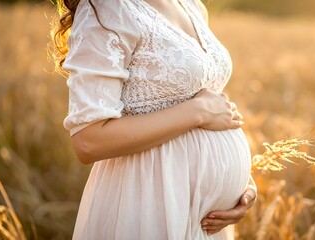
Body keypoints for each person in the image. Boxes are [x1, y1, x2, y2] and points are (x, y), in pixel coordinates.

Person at [53, 0, 257, 239]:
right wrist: (197, 112)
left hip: (209, 221)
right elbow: (88, 140)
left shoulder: (190, 4)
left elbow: (211, 100)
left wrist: (243, 184)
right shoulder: (108, 9)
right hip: (150, 201)